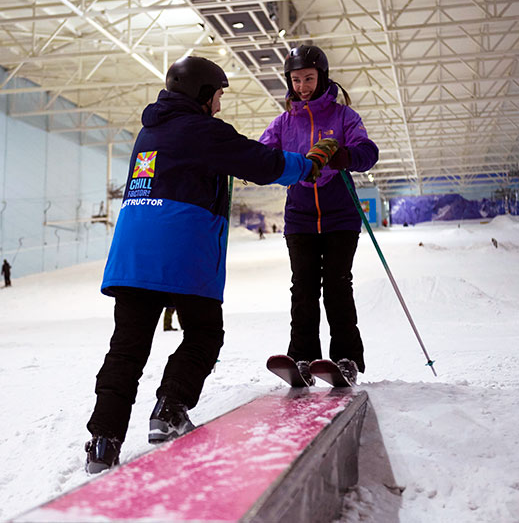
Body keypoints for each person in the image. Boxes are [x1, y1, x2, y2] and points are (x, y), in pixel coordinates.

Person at [84, 56, 339, 474]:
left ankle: (102, 442)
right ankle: (170, 408)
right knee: (205, 333)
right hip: (182, 249)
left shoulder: (149, 131)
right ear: (202, 94)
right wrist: (307, 166)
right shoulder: (201, 130)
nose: (219, 104)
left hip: (132, 255)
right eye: (218, 95)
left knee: (127, 349)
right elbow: (260, 162)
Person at [259, 45, 379, 386]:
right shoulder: (283, 122)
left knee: (337, 285)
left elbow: (368, 152)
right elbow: (262, 155)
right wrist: (242, 163)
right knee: (304, 287)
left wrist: (344, 156)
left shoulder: (343, 117)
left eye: (309, 78)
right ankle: (301, 356)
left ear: (322, 77)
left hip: (340, 214)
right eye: (296, 80)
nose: (302, 86)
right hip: (300, 215)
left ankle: (346, 358)